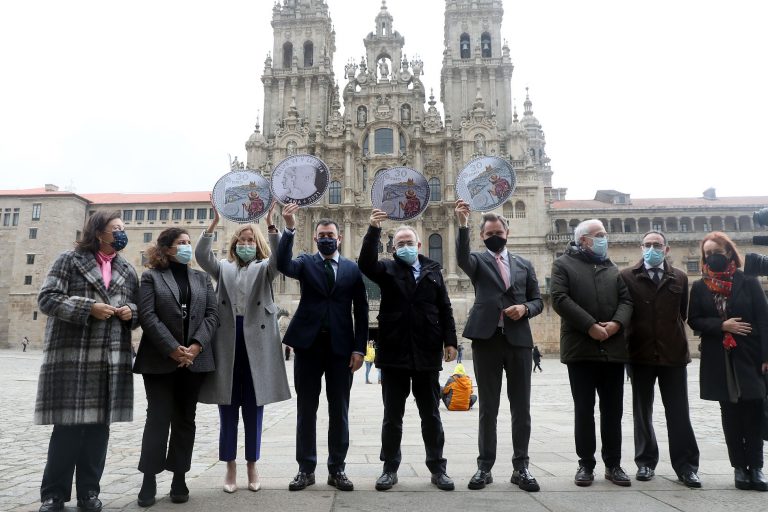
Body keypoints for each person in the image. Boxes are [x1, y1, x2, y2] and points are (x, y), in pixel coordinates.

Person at [35, 210, 139, 512]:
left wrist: (131, 311)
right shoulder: (68, 260)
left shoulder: (128, 269)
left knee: (98, 431)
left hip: (110, 360)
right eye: (115, 228)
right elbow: (47, 298)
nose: (121, 233)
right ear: (98, 232)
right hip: (74, 357)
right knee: (67, 429)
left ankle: (89, 493)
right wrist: (89, 307)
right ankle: (53, 495)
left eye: (123, 228)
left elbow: (136, 306)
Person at [195, 203, 291, 493]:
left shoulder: (265, 268)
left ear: (257, 243)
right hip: (228, 342)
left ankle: (252, 463)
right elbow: (202, 256)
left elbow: (281, 259)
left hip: (256, 345)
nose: (246, 244)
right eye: (242, 240)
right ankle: (230, 466)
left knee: (254, 408)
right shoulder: (222, 268)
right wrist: (211, 226)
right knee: (227, 409)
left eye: (251, 240)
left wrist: (273, 227)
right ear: (234, 244)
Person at [359, 211, 458, 491]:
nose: (404, 246)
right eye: (399, 243)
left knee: (431, 415)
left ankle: (438, 468)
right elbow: (365, 264)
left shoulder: (433, 271)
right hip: (394, 352)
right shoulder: (387, 269)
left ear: (419, 245)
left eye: (408, 242)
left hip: (426, 351)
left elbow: (445, 308)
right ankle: (389, 468)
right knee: (392, 416)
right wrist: (374, 229)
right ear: (393, 248)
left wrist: (450, 341)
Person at [277, 203, 369, 492]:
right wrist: (289, 228)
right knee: (306, 409)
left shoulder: (353, 269)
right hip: (308, 346)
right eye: (322, 235)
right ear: (315, 239)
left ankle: (337, 469)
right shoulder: (305, 263)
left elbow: (362, 311)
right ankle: (305, 469)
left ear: (339, 238)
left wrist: (359, 349)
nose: (327, 238)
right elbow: (282, 264)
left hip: (342, 348)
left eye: (331, 234)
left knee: (339, 409)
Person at [455, 200, 544, 492]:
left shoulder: (524, 264)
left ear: (507, 232)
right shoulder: (477, 262)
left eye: (499, 230)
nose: (495, 235)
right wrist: (463, 224)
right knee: (488, 409)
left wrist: (525, 309)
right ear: (483, 236)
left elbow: (538, 300)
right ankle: (484, 467)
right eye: (489, 232)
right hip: (487, 339)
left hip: (518, 340)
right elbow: (461, 257)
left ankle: (522, 467)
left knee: (522, 407)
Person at [133, 228, 218, 506]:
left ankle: (179, 477)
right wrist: (172, 348)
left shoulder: (202, 278)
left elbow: (212, 314)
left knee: (185, 419)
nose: (186, 247)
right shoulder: (151, 277)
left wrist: (195, 346)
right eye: (181, 243)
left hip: (194, 360)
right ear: (167, 248)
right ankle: (149, 477)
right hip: (159, 360)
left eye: (188, 243)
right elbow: (147, 314)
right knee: (157, 418)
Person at [551, 219, 633, 488]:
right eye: (600, 235)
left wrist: (616, 324)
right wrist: (590, 326)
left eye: (605, 235)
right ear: (584, 239)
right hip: (581, 349)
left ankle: (614, 464)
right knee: (584, 409)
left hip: (612, 347)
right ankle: (585, 463)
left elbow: (626, 300)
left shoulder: (612, 267)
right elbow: (560, 299)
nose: (604, 239)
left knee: (613, 410)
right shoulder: (563, 264)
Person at [619, 231, 701, 488]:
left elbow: (682, 314)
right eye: (648, 245)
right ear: (640, 247)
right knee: (642, 412)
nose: (652, 248)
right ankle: (645, 462)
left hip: (673, 353)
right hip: (639, 353)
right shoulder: (626, 277)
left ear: (666, 249)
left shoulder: (680, 277)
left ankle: (686, 466)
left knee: (679, 412)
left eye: (657, 245)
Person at [688, 232, 768, 491]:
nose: (713, 258)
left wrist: (767, 356)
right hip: (719, 358)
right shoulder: (700, 286)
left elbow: (764, 320)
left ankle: (756, 468)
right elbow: (695, 320)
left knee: (754, 410)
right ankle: (739, 469)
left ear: (730, 253)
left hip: (750, 356)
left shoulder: (749, 282)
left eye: (717, 252)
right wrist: (721, 324)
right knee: (730, 414)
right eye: (708, 254)